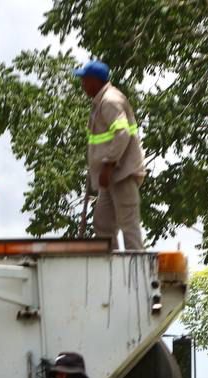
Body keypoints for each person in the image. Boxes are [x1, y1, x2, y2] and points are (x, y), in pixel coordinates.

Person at [74, 60, 146, 251]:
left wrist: (108, 165)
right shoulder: (101, 102)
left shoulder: (110, 101)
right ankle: (112, 269)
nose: (82, 85)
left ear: (94, 81)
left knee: (128, 225)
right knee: (103, 223)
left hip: (121, 173)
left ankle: (136, 273)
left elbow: (122, 134)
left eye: (85, 80)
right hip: (111, 176)